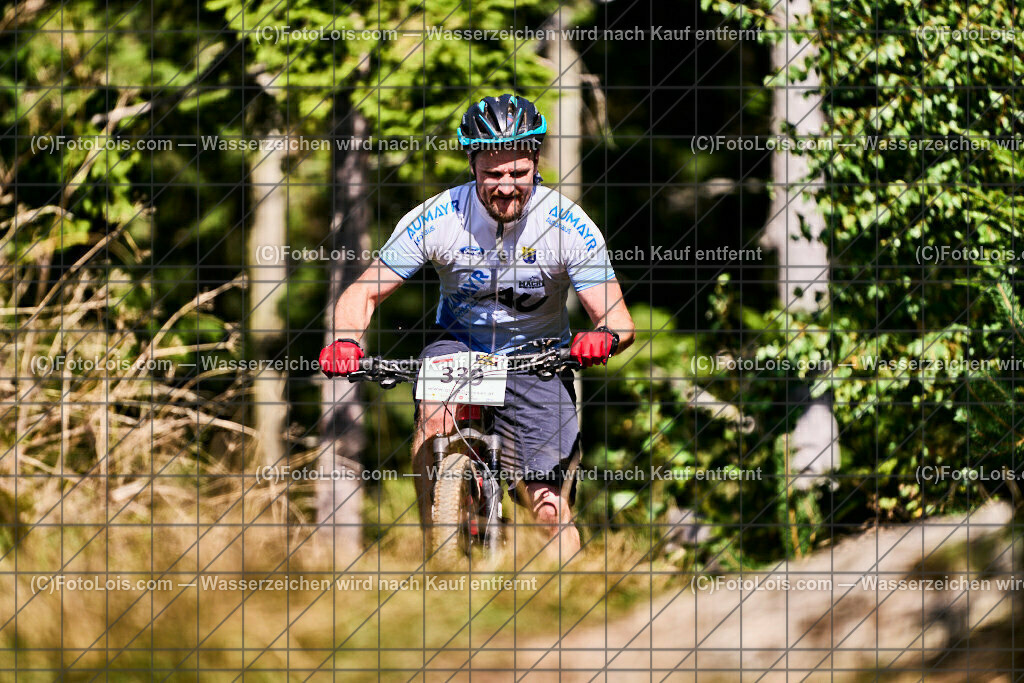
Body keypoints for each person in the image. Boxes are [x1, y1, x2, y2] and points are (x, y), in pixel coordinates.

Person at [319, 93, 634, 561]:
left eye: (518, 174)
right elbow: (361, 293)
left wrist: (600, 337)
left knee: (548, 506)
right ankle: (440, 544)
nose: (506, 187)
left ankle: (570, 600)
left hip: (540, 357)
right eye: (493, 174)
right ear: (472, 165)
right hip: (460, 345)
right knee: (435, 419)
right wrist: (346, 341)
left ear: (536, 161)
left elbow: (618, 321)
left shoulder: (567, 224)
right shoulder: (439, 217)